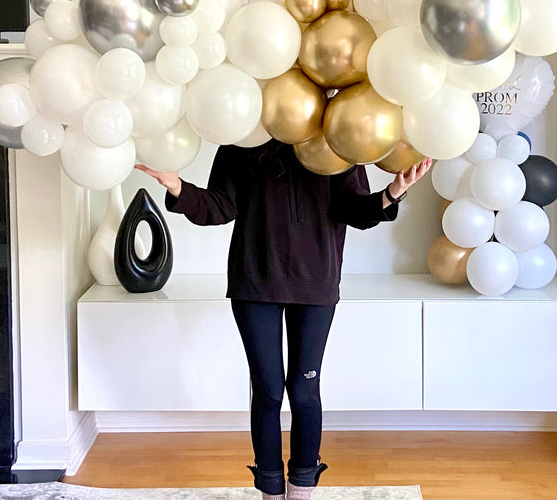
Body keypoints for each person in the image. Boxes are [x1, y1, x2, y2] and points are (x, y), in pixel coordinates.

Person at [136, 139, 432, 500]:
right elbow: (221, 205)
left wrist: (391, 193)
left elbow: (352, 209)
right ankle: (270, 491)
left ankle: (302, 489)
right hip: (254, 283)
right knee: (268, 391)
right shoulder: (242, 138)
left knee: (304, 391)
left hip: (317, 285)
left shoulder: (335, 134)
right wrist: (176, 186)